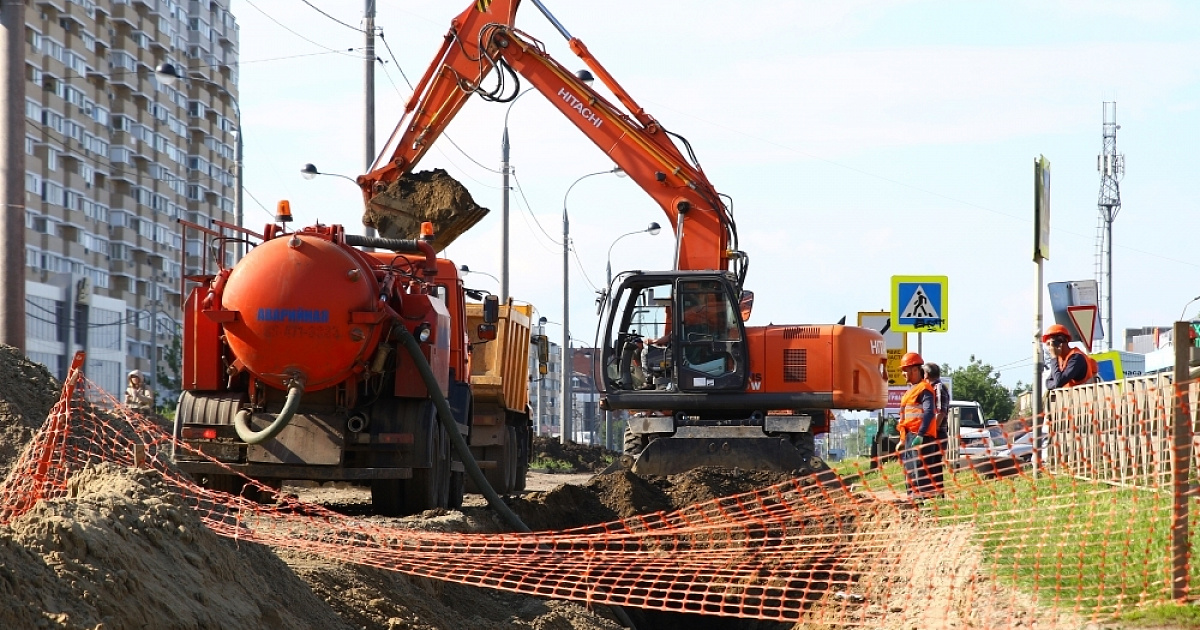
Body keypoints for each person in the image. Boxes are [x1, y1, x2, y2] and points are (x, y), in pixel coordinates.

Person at [897, 352, 940, 501]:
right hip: (910, 437)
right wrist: (902, 441)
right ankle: (913, 503)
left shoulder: (924, 389)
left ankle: (925, 505)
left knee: (920, 473)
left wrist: (921, 435)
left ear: (915, 370)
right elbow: (905, 418)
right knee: (910, 471)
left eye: (905, 370)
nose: (903, 373)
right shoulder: (910, 391)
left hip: (921, 438)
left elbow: (929, 412)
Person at [923, 362, 950, 493]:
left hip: (937, 433)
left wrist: (931, 431)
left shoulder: (938, 388)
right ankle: (934, 493)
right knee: (930, 464)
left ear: (926, 374)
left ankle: (938, 494)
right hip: (934, 432)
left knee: (934, 464)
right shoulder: (929, 388)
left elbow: (940, 412)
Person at [1042, 324, 1095, 390]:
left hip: (1084, 398)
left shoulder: (1076, 358)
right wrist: (1055, 383)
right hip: (1070, 398)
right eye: (1048, 344)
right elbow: (1048, 383)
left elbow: (1059, 382)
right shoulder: (1059, 360)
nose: (1050, 348)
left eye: (1052, 344)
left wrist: (1054, 358)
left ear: (1061, 342)